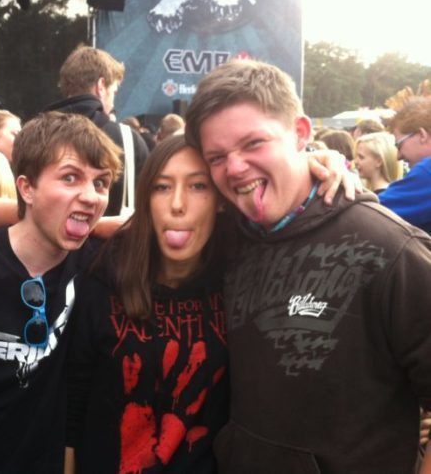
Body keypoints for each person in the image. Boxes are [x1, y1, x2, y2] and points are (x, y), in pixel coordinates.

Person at [184, 59, 431, 473]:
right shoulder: (226, 239)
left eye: (253, 143)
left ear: (300, 133)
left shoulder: (389, 248)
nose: (235, 167)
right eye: (217, 156)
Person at [0, 111, 123, 473]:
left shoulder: (96, 267)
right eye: (70, 177)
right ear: (27, 187)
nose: (91, 196)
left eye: (101, 183)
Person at [66, 135, 230, 473]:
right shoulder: (103, 273)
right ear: (146, 199)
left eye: (198, 186)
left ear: (220, 200)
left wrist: (322, 167)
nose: (177, 204)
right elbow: (72, 404)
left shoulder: (238, 276)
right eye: (162, 187)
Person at [46, 45, 149, 216]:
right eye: (114, 92)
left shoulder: (37, 135)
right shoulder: (129, 141)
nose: (113, 103)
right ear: (101, 86)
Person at [379, 96, 431, 233]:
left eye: (399, 145)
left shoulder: (427, 172)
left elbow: (371, 213)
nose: (398, 156)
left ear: (422, 135)